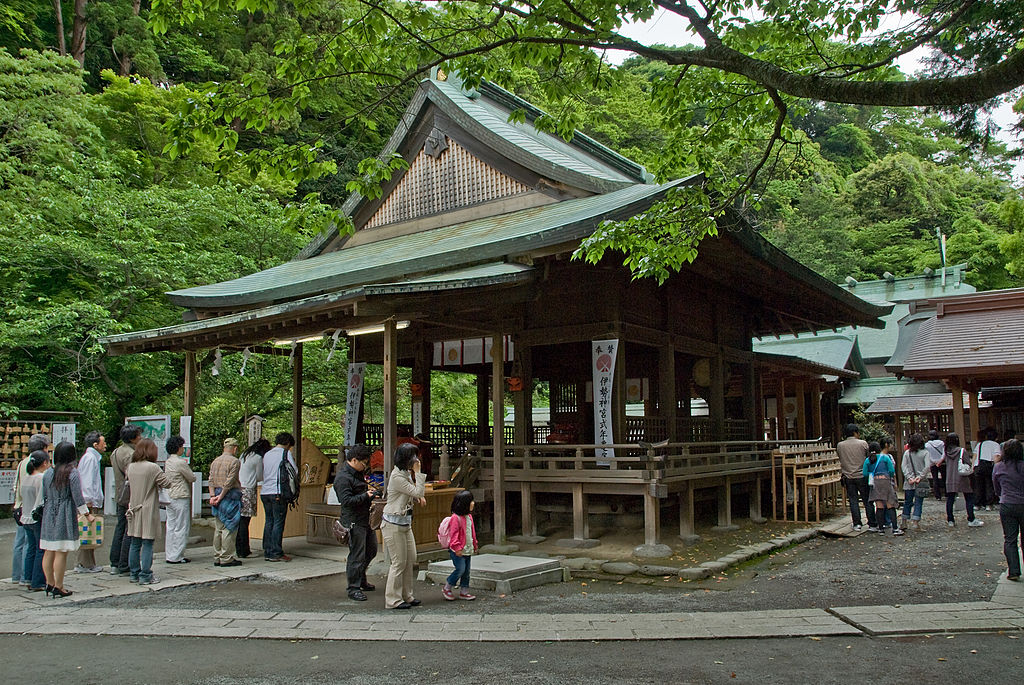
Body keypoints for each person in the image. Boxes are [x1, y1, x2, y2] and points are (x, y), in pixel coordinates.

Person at [40, 441, 93, 598]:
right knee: (61, 551)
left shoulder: (48, 473)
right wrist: (87, 514)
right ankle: (59, 586)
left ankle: (49, 583)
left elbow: (44, 494)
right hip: (64, 513)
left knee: (49, 550)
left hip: (49, 512)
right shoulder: (72, 472)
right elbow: (77, 496)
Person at [381, 443, 426, 609]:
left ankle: (407, 595)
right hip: (393, 523)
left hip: (405, 523)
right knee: (399, 562)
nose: (416, 460)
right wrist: (418, 473)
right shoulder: (397, 477)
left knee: (410, 559)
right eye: (413, 456)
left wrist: (417, 498)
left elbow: (412, 494)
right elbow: (417, 491)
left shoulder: (405, 473)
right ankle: (392, 600)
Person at [333, 444, 381, 601]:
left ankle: (361, 578)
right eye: (363, 462)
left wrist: (370, 495)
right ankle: (353, 587)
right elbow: (346, 501)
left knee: (371, 550)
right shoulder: (343, 478)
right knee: (356, 555)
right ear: (354, 460)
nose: (365, 466)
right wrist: (366, 496)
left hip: (364, 518)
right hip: (353, 521)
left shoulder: (357, 473)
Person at [125, 438, 171, 584]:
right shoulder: (153, 468)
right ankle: (146, 574)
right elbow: (167, 483)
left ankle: (134, 573)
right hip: (148, 508)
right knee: (147, 542)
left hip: (134, 507)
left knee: (135, 542)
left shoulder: (131, 467)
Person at [11, 433, 50, 586]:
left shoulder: (23, 463)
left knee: (21, 544)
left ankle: (19, 576)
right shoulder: (41, 466)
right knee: (34, 546)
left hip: (21, 508)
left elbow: (17, 486)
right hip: (34, 511)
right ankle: (34, 578)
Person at [109, 425, 141, 576]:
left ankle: (114, 562)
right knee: (130, 529)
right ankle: (124, 563)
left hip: (120, 494)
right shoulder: (131, 454)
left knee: (120, 528)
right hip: (130, 496)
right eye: (138, 435)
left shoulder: (116, 452)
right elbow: (132, 476)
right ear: (133, 438)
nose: (140, 438)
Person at [261, 432, 297, 562]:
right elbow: (294, 471)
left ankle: (267, 549)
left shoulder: (267, 454)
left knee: (269, 520)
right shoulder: (285, 453)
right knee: (278, 522)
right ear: (288, 443)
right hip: (278, 491)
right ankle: (276, 552)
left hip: (265, 492)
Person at [74, 430, 106, 574]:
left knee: (90, 532)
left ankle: (88, 563)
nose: (105, 445)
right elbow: (86, 482)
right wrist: (87, 502)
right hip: (89, 502)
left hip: (91, 501)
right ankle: (85, 564)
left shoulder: (92, 457)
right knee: (87, 532)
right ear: (95, 444)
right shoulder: (90, 458)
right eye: (102, 442)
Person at [19, 450, 51, 592]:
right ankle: (38, 581)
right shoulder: (41, 478)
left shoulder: (26, 478)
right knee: (40, 549)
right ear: (44, 463)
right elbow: (43, 499)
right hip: (36, 518)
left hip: (25, 516)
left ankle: (27, 578)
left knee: (31, 548)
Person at [208, 438, 243, 568]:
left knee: (218, 528)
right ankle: (226, 557)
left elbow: (210, 479)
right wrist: (221, 496)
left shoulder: (215, 461)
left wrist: (213, 496)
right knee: (229, 527)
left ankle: (217, 556)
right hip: (229, 496)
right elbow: (229, 481)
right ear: (234, 448)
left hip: (216, 494)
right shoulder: (235, 461)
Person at [993, 439, 1024, 581]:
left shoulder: (999, 467)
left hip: (1007, 503)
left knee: (1010, 539)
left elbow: (996, 487)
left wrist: (1002, 495)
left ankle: (1014, 571)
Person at [836, 423, 877, 531]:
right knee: (867, 500)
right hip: (862, 475)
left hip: (848, 475)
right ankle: (872, 523)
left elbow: (840, 458)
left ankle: (857, 523)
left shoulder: (840, 445)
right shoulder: (862, 443)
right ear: (855, 432)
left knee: (853, 500)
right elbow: (868, 457)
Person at [163, 435, 196, 564]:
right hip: (181, 496)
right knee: (182, 526)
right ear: (178, 448)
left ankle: (170, 553)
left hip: (169, 496)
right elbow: (192, 477)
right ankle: (177, 555)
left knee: (171, 526)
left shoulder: (168, 461)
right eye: (182, 446)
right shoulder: (180, 462)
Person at [236, 438, 270, 559]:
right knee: (245, 521)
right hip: (249, 490)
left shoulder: (244, 455)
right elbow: (260, 476)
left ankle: (238, 548)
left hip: (239, 488)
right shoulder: (258, 458)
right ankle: (244, 550)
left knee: (240, 521)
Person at [442, 489, 478, 601]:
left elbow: (472, 532)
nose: (473, 503)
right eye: (470, 501)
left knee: (466, 571)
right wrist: (457, 548)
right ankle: (447, 586)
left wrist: (475, 544)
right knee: (460, 569)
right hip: (457, 550)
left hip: (467, 548)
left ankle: (464, 591)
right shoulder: (455, 518)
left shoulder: (469, 517)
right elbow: (454, 535)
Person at [941, 432, 983, 528]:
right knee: (968, 497)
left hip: (950, 477)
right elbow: (968, 462)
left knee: (950, 499)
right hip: (962, 477)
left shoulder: (946, 451)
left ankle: (950, 520)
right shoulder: (962, 451)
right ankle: (971, 519)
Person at [864, 441, 902, 536]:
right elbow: (891, 470)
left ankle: (880, 529)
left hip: (875, 483)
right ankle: (895, 528)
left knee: (879, 506)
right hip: (886, 482)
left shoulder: (867, 460)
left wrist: (872, 475)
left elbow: (864, 473)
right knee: (890, 505)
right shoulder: (885, 457)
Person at [901, 433, 930, 531]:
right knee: (918, 502)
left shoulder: (907, 453)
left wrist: (909, 477)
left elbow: (903, 466)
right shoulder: (925, 452)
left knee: (907, 502)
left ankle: (904, 521)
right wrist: (920, 477)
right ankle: (915, 522)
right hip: (920, 482)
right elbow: (927, 466)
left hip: (909, 482)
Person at [975, 428, 1001, 510]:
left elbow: (975, 455)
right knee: (989, 485)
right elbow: (996, 457)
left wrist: (973, 466)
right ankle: (988, 504)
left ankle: (977, 504)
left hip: (979, 465)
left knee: (978, 486)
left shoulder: (980, 444)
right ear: (996, 438)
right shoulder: (996, 445)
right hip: (989, 465)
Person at [925, 430, 946, 500]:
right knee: (944, 478)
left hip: (932, 463)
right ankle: (947, 493)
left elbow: (928, 455)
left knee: (935, 479)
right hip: (942, 463)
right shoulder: (941, 443)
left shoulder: (927, 445)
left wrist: (934, 461)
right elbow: (944, 453)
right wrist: (940, 461)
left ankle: (937, 495)